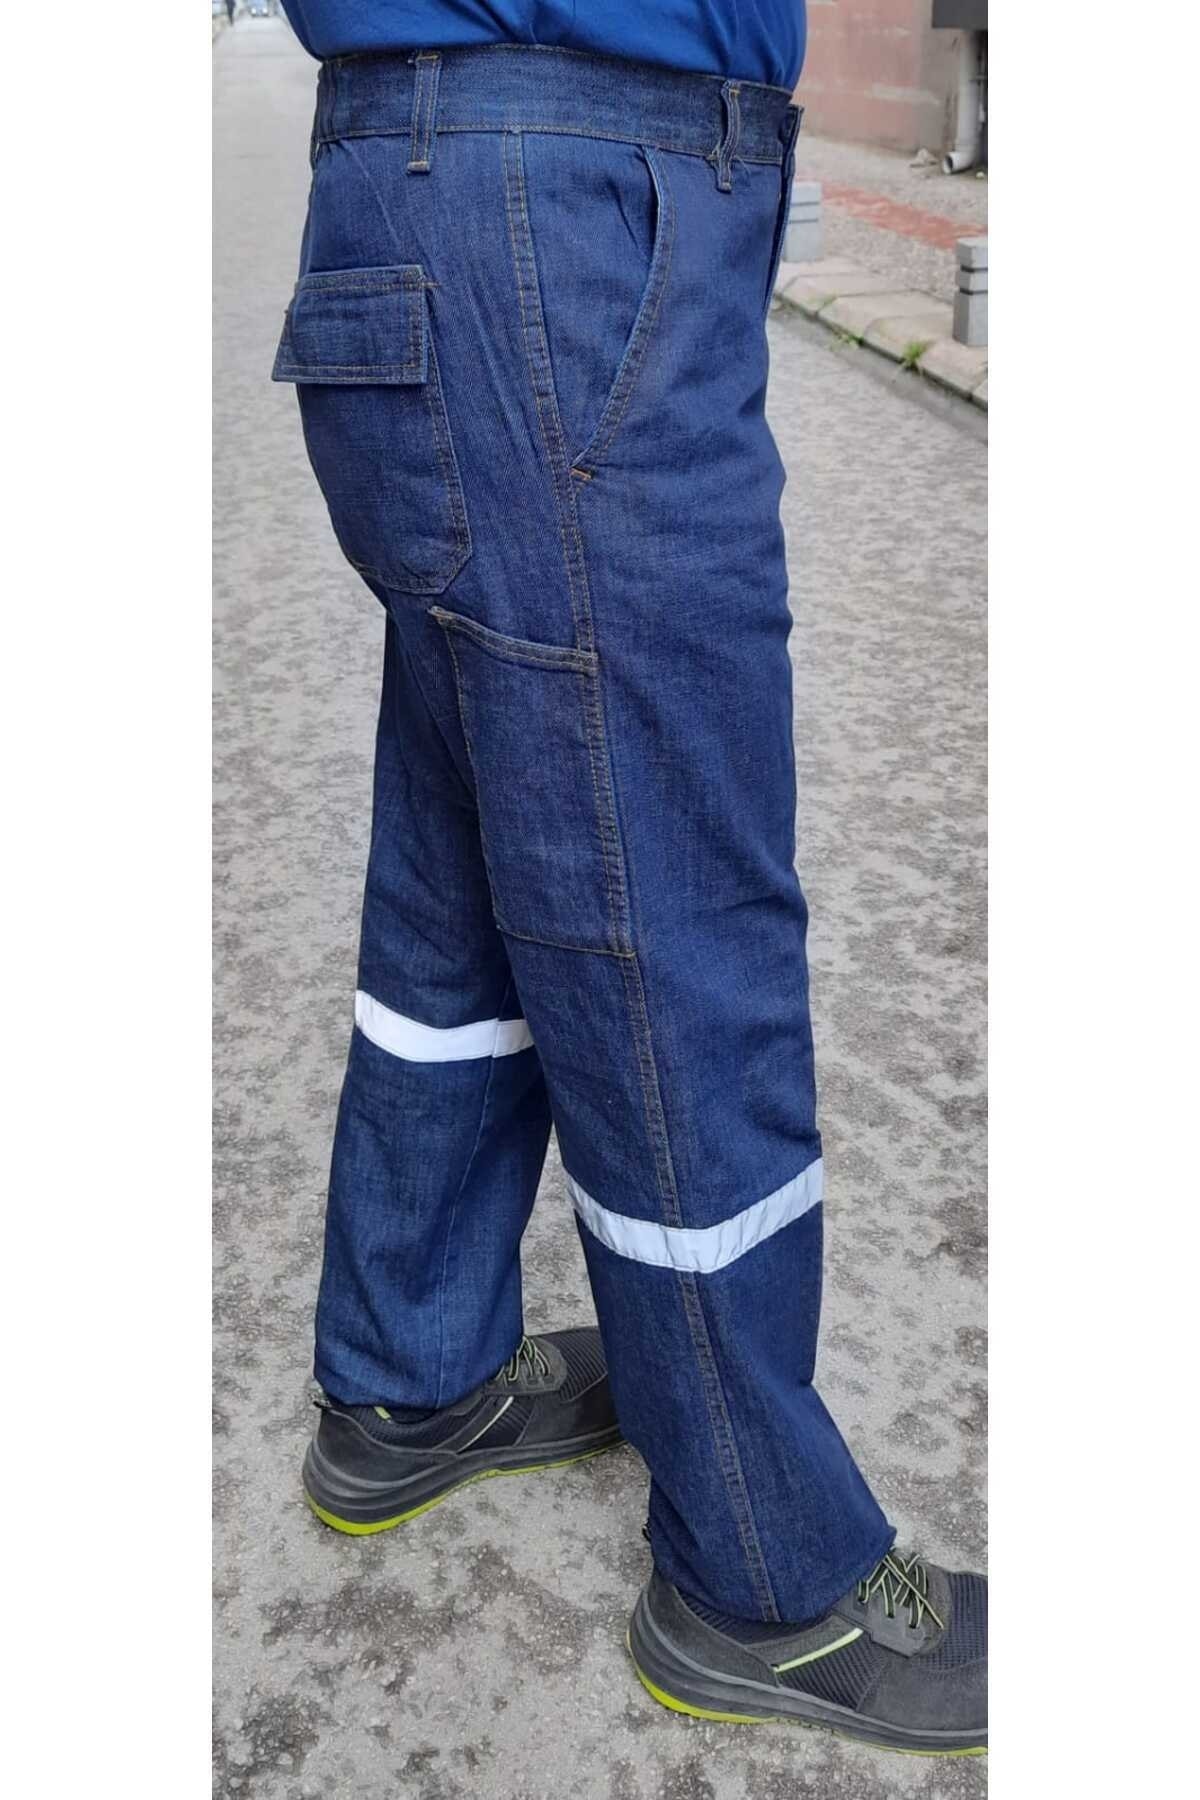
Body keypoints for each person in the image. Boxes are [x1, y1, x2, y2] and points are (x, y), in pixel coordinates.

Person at [272, 0, 986, 1758]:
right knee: (671, 887)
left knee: (465, 850)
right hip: (573, 213)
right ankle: (766, 1573)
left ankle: (410, 1376)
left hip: (437, 188)